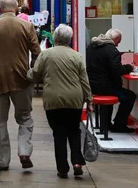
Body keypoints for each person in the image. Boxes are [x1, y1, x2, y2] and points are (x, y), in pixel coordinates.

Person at [0, 0, 41, 171]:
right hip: (22, 79)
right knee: (25, 117)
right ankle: (24, 151)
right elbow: (38, 53)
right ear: (16, 8)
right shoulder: (27, 26)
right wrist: (33, 73)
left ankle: (3, 161)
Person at [28, 24, 92, 178]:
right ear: (69, 39)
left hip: (53, 100)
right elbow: (84, 80)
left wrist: (27, 74)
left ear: (55, 38)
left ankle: (63, 169)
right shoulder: (77, 56)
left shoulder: (46, 55)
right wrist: (89, 100)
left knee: (59, 133)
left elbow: (35, 74)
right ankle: (77, 162)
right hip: (74, 99)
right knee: (74, 131)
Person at [86, 28, 136, 133]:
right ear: (116, 38)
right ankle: (120, 124)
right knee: (130, 97)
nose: (117, 45)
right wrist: (129, 67)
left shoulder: (91, 46)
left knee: (110, 99)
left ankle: (106, 124)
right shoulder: (111, 49)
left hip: (92, 85)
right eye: (118, 41)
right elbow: (117, 70)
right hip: (107, 87)